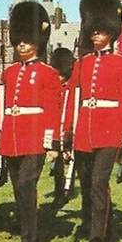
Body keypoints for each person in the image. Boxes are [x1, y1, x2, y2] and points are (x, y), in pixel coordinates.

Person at [66, 0, 122, 242]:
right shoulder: (82, 64)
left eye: (100, 30)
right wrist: (66, 134)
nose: (95, 34)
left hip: (110, 131)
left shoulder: (121, 64)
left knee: (98, 183)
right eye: (92, 30)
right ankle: (102, 230)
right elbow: (73, 98)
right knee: (87, 184)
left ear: (110, 30)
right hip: (85, 131)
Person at [0, 0, 61, 242]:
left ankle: (30, 241)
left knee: (26, 185)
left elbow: (52, 109)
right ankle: (25, 230)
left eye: (27, 39)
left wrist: (51, 142)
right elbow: (5, 107)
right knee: (18, 189)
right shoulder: (10, 73)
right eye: (18, 40)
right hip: (11, 138)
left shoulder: (47, 73)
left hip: (34, 139)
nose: (21, 44)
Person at [50, 46, 75, 208]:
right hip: (57, 129)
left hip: (70, 129)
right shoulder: (54, 87)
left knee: (71, 160)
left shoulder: (72, 87)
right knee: (57, 165)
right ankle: (61, 192)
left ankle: (69, 186)